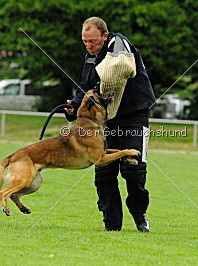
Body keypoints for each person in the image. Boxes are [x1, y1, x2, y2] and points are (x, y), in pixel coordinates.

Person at [64, 17, 156, 232]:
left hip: (134, 116)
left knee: (133, 168)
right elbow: (84, 88)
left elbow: (122, 65)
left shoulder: (119, 46)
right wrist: (74, 106)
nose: (89, 46)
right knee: (104, 172)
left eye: (93, 41)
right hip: (105, 122)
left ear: (105, 36)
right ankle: (111, 225)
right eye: (85, 42)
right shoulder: (90, 57)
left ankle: (138, 212)